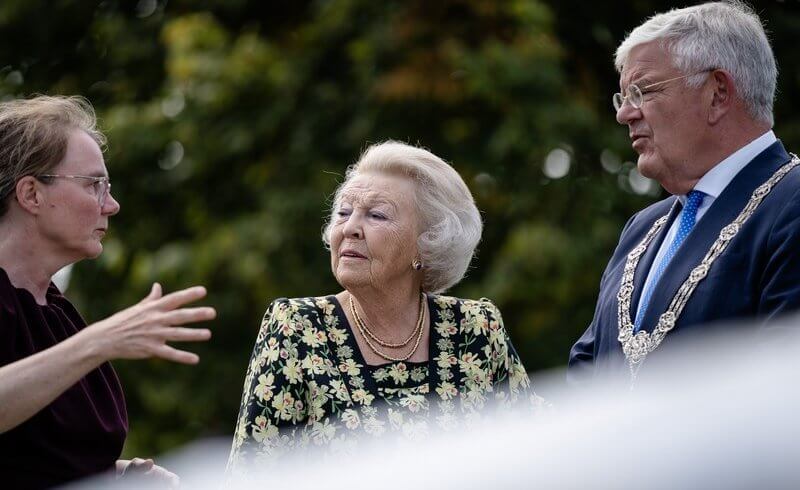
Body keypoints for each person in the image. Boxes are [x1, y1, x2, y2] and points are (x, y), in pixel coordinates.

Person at [228, 141, 534, 471]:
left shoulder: (477, 330)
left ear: (428, 243)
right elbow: (252, 475)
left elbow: (534, 458)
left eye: (376, 215)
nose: (349, 228)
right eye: (344, 212)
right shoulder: (295, 328)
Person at [569, 1, 800, 383]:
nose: (624, 114)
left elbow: (782, 393)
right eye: (623, 97)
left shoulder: (790, 201)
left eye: (641, 92)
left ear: (718, 93)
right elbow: (586, 376)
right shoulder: (641, 231)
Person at [0, 95, 216, 488]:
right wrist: (101, 340)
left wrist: (117, 475)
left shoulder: (56, 312)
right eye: (94, 185)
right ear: (31, 194)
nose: (111, 205)